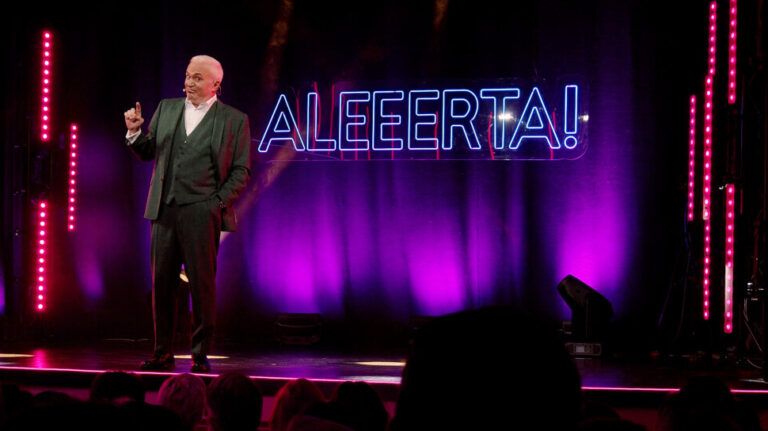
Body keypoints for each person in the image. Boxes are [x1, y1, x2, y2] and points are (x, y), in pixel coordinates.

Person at [123, 55, 251, 373]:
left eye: (196, 78)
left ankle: (199, 353)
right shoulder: (167, 109)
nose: (188, 83)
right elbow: (148, 151)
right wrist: (135, 134)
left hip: (202, 211)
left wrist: (217, 204)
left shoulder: (234, 120)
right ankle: (162, 352)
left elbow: (241, 170)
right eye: (187, 76)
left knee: (201, 285)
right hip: (165, 209)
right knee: (163, 283)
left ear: (215, 85)